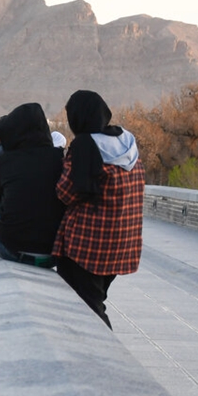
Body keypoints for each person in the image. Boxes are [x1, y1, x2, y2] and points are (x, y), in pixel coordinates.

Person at [53, 90, 145, 330]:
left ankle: (110, 361)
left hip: (89, 245)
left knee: (89, 308)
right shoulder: (128, 144)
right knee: (95, 300)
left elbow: (65, 192)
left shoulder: (85, 146)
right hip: (123, 242)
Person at [0, 103, 65, 268]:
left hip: (10, 250)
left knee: (1, 196)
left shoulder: (7, 160)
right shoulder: (61, 159)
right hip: (54, 255)